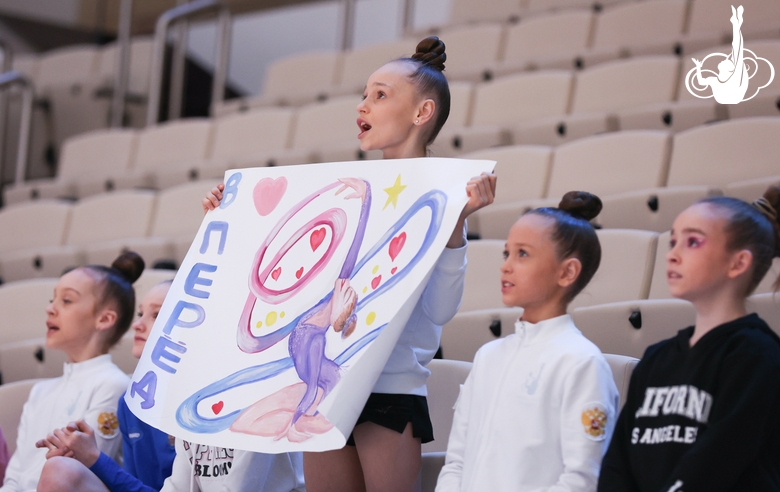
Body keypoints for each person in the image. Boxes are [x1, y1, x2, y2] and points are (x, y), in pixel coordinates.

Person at [203, 36, 496, 492]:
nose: (363, 106)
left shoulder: (444, 199)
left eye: (380, 95)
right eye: (363, 95)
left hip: (391, 389)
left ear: (423, 113)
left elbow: (439, 313)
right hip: (324, 387)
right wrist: (233, 220)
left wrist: (456, 227)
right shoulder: (337, 193)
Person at [597, 186, 780, 491]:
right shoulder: (656, 358)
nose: (672, 255)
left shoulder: (757, 355)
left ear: (738, 262)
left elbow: (718, 462)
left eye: (692, 242)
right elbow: (617, 463)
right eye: (672, 242)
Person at [436, 192, 619, 491]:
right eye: (506, 253)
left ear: (567, 272)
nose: (506, 266)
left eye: (523, 254)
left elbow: (582, 479)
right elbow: (456, 461)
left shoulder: (581, 363)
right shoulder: (488, 356)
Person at [0, 252, 143, 492]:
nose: (50, 309)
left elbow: (81, 468)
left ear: (105, 319)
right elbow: (15, 476)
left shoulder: (113, 384)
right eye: (52, 299)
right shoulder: (40, 391)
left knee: (60, 469)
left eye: (66, 301)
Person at [34, 280, 176, 492]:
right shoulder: (130, 402)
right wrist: (80, 455)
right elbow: (131, 485)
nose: (138, 324)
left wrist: (93, 457)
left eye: (156, 315)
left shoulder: (206, 402)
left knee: (60, 470)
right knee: (60, 468)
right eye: (140, 314)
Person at [691, 5, 749, 104]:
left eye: (728, 61)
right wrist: (698, 67)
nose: (725, 59)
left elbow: (737, 48)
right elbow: (701, 82)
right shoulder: (714, 80)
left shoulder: (735, 78)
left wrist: (736, 25)